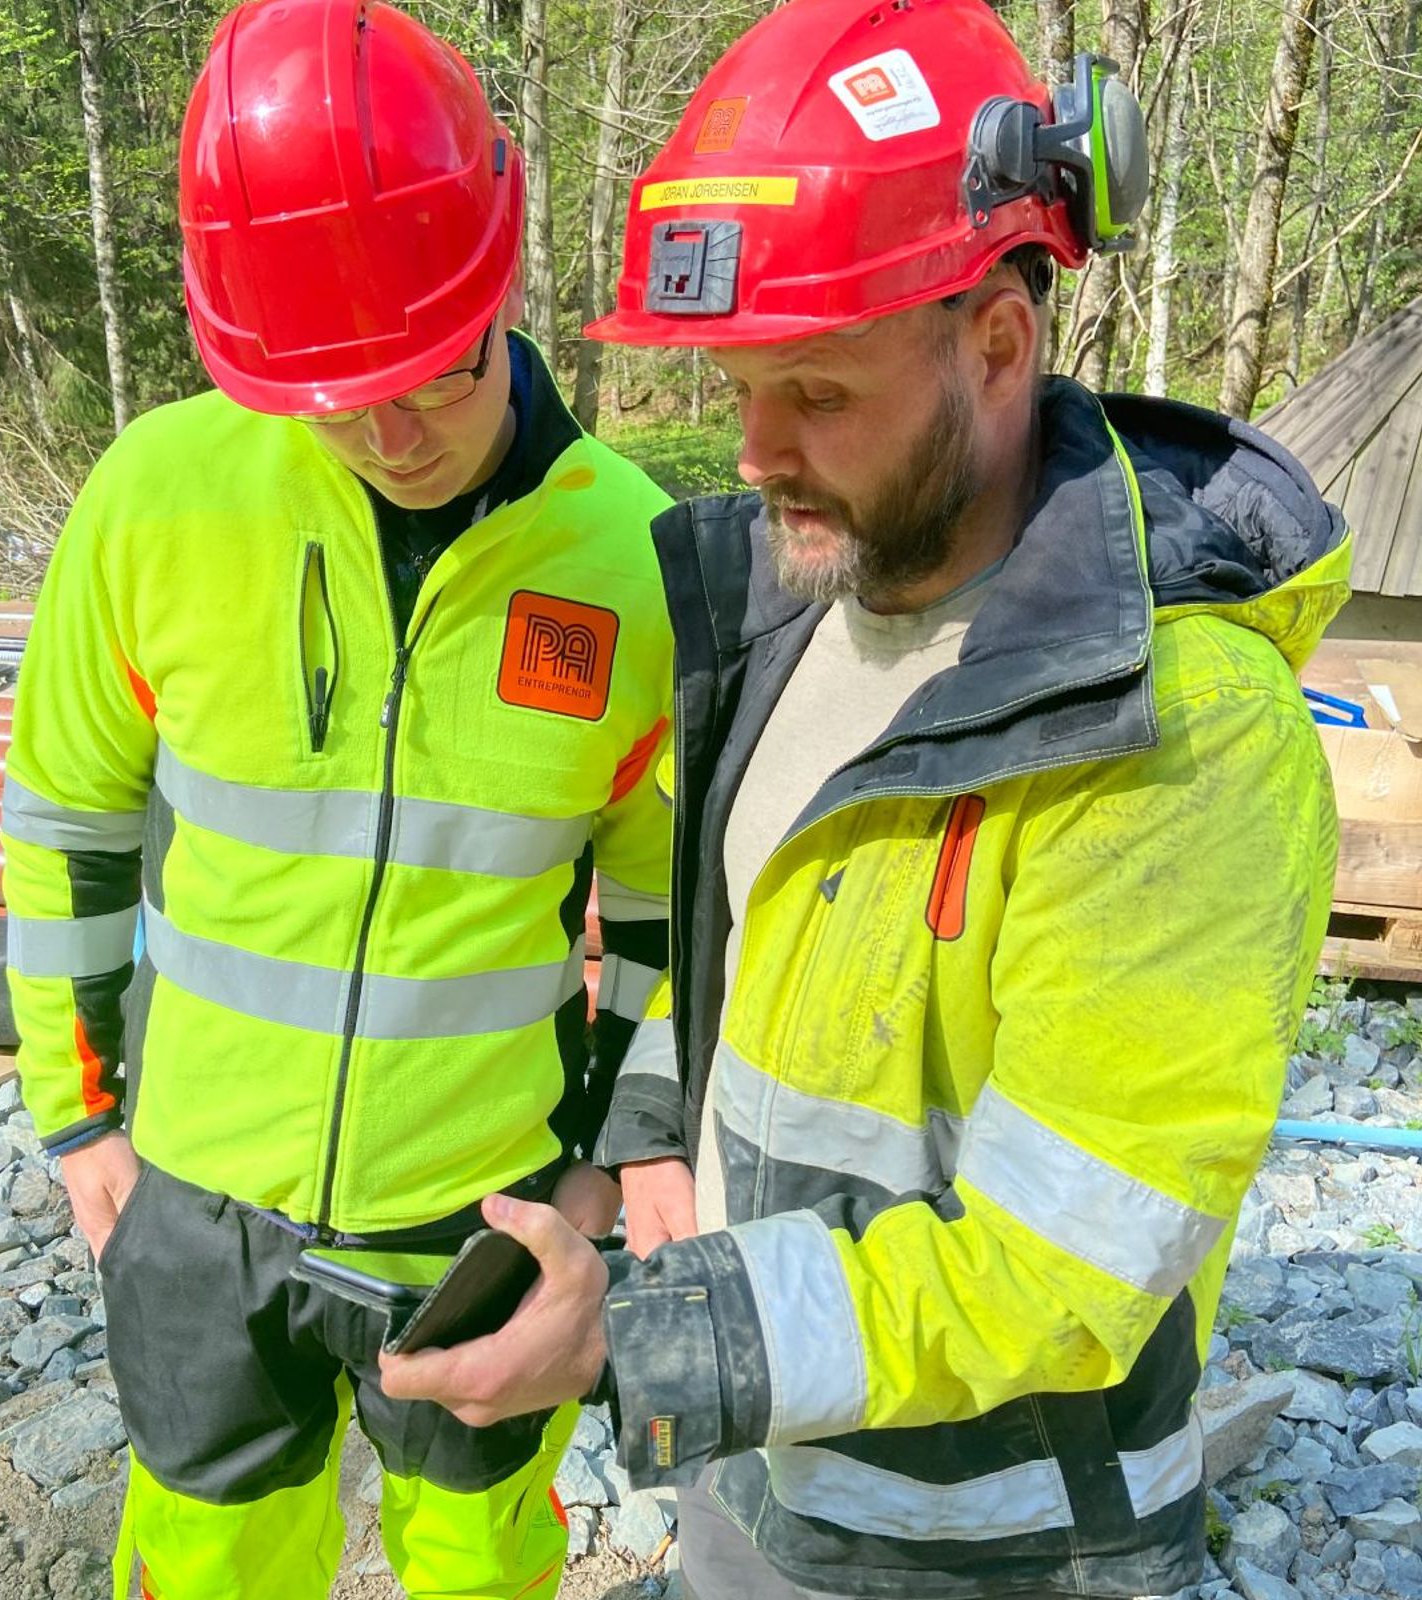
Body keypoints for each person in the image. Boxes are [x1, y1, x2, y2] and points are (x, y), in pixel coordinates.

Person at [378, 3, 1352, 1596]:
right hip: (762, 1477)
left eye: (817, 393)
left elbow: (1061, 1263)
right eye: (738, 386)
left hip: (995, 1541)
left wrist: (645, 1337)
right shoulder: (791, 602)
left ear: (998, 345)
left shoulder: (1178, 733)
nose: (757, 453)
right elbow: (744, 943)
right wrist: (645, 1141)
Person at [0, 2, 673, 1595]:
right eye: (328, 389)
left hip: (479, 1212)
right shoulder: (157, 500)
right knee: (209, 1564)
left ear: (496, 279)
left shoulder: (637, 561)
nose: (386, 432)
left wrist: (614, 1156)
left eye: (430, 375)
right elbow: (68, 817)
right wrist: (79, 1116)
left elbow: (671, 908)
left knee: (481, 1562)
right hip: (195, 1202)